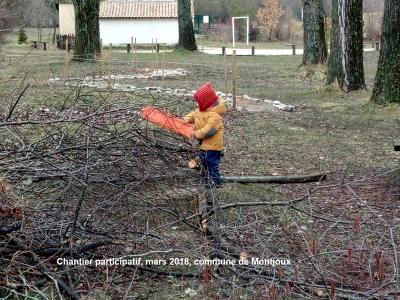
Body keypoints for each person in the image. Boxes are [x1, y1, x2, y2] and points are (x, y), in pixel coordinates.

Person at [184, 83, 227, 188]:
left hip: (213, 146)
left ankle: (214, 183)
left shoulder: (215, 116)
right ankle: (205, 178)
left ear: (206, 103)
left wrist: (194, 133)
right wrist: (184, 120)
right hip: (204, 144)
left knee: (211, 164)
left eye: (199, 103)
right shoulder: (202, 110)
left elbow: (208, 131)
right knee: (204, 162)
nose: (197, 105)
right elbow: (193, 114)